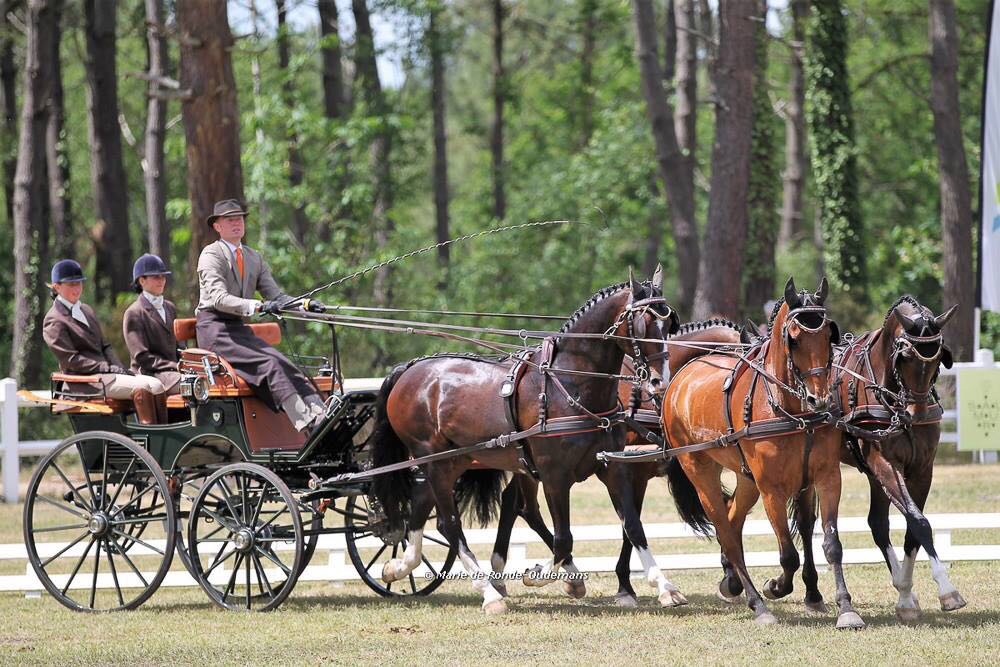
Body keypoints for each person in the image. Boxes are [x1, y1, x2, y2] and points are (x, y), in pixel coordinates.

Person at [195, 199, 326, 433]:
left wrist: (304, 305)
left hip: (238, 329)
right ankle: (306, 423)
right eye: (229, 219)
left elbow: (276, 296)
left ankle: (322, 415)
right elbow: (219, 299)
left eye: (240, 218)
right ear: (217, 226)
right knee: (270, 365)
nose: (236, 223)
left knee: (288, 364)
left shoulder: (254, 257)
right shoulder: (210, 255)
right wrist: (259, 306)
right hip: (215, 331)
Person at [42, 259, 168, 425]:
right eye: (71, 284)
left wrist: (119, 369)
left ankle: (161, 433)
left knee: (157, 385)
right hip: (85, 383)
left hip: (106, 376)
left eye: (79, 283)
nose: (77, 288)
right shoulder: (54, 320)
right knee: (145, 387)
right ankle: (151, 435)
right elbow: (71, 360)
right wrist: (107, 368)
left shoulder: (86, 310)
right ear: (56, 287)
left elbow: (105, 346)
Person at [123, 254, 182, 396]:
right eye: (156, 277)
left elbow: (179, 346)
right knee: (192, 384)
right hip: (150, 374)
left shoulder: (170, 308)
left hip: (174, 372)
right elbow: (142, 357)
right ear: (142, 280)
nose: (161, 280)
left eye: (163, 276)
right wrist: (175, 366)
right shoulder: (134, 313)